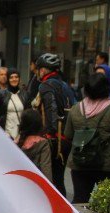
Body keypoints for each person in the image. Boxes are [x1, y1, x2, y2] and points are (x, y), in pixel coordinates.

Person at [64, 73, 110, 203]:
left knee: (80, 199)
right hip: (107, 165)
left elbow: (68, 135)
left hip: (80, 163)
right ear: (107, 89)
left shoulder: (75, 109)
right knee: (108, 203)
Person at [35, 52, 76, 197]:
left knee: (48, 181)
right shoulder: (66, 86)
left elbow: (51, 110)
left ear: (44, 69)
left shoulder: (46, 85)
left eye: (39, 69)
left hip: (54, 140)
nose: (37, 72)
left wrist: (49, 134)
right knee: (59, 180)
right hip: (67, 139)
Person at [16, 109, 52, 180]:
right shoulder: (43, 143)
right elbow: (46, 169)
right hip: (35, 182)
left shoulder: (18, 141)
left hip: (20, 180)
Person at [0, 68, 30, 139]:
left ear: (19, 79)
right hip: (5, 134)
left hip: (21, 134)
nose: (14, 79)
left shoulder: (25, 94)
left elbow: (28, 114)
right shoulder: (1, 94)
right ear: (8, 79)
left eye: (16, 77)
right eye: (11, 77)